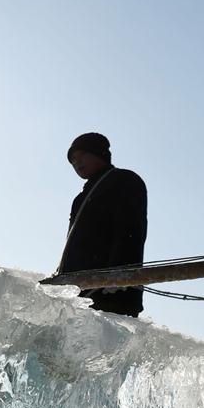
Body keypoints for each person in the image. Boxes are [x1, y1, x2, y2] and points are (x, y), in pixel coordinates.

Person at [58, 132, 147, 317]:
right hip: (77, 290)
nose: (77, 162)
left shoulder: (124, 180)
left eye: (82, 155)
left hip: (111, 291)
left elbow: (131, 231)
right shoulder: (80, 198)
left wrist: (119, 273)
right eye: (72, 160)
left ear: (100, 154)